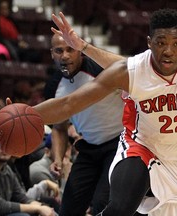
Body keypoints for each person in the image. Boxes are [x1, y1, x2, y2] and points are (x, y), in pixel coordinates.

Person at [0, 8, 177, 216]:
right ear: (148, 42)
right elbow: (70, 104)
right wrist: (20, 115)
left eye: (176, 44)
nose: (168, 51)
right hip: (141, 148)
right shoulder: (132, 71)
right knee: (120, 207)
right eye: (160, 43)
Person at [44, 33, 124, 216]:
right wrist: (57, 158)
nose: (64, 55)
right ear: (52, 54)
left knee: (102, 203)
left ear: (80, 51)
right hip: (89, 147)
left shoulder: (100, 68)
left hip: (118, 144)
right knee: (69, 207)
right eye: (59, 50)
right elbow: (59, 127)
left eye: (70, 49)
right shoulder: (53, 86)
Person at [0, 133, 56, 216]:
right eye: (1, 142)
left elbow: (21, 197)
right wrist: (37, 208)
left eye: (10, 144)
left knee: (49, 208)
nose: (5, 147)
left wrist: (42, 207)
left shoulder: (7, 169)